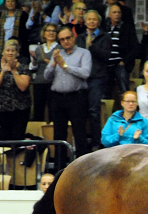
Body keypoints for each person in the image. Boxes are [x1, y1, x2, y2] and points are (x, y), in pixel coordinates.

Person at [44, 26, 92, 168]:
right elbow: (46, 76)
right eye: (62, 39)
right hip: (58, 98)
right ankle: (60, 168)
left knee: (79, 133)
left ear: (73, 37)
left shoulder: (84, 53)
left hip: (76, 98)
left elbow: (85, 73)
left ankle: (81, 168)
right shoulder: (58, 54)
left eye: (68, 38)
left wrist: (64, 66)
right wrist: (54, 62)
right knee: (59, 135)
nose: (66, 41)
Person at [76, 10, 110, 151]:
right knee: (80, 112)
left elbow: (106, 57)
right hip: (81, 78)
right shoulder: (79, 37)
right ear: (85, 21)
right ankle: (82, 145)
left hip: (97, 77)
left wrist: (92, 46)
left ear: (98, 22)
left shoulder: (105, 37)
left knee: (94, 111)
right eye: (89, 19)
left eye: (94, 19)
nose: (91, 21)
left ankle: (96, 144)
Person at [0, 39, 31, 141]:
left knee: (17, 138)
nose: (10, 53)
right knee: (5, 138)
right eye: (7, 50)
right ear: (3, 52)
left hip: (20, 109)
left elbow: (23, 87)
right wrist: (3, 72)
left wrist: (14, 71)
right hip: (3, 109)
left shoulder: (24, 69)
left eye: (13, 51)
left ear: (17, 53)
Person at [105, 3, 138, 98]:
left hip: (120, 64)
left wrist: (124, 61)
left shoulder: (127, 27)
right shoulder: (104, 28)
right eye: (114, 12)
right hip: (106, 64)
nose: (117, 14)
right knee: (105, 91)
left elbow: (136, 48)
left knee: (124, 89)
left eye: (119, 12)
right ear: (109, 15)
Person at [30, 22, 58, 122]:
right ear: (44, 33)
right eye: (48, 31)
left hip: (53, 82)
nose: (51, 33)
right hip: (39, 82)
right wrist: (34, 60)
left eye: (53, 31)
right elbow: (33, 68)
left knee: (53, 110)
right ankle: (37, 134)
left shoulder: (59, 48)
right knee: (38, 109)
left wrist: (49, 62)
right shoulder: (39, 48)